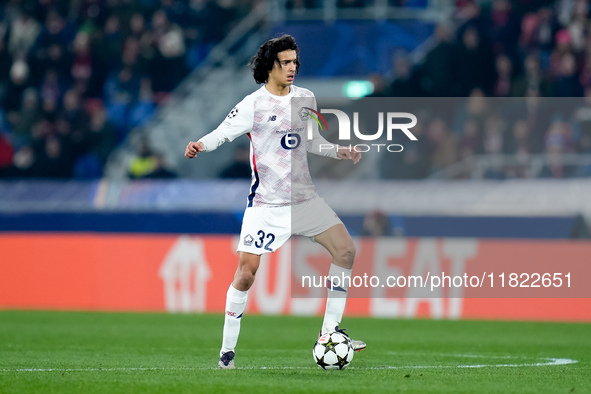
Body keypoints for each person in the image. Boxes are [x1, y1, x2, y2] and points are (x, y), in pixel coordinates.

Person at [184, 34, 366, 369]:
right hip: (266, 206)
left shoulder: (306, 98)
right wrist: (201, 145)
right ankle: (226, 354)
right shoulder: (253, 104)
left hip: (304, 201)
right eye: (286, 62)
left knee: (346, 250)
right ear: (271, 66)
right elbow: (223, 132)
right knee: (245, 274)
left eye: (295, 62)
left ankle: (329, 333)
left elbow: (312, 141)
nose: (293, 67)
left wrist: (338, 150)